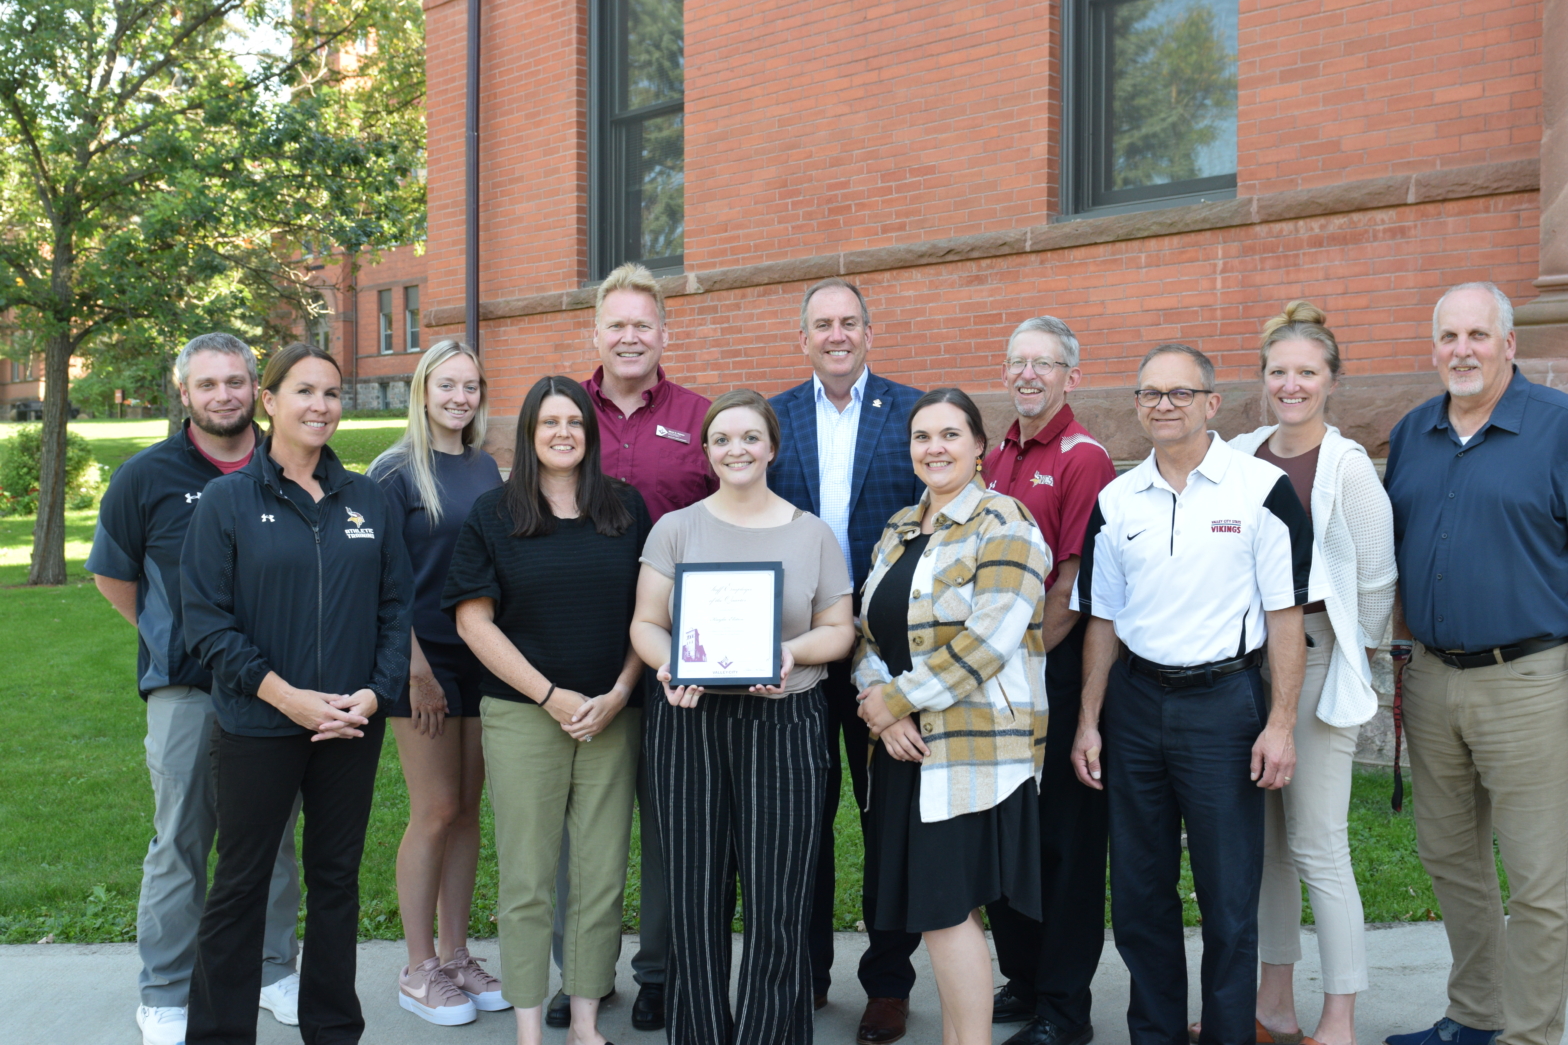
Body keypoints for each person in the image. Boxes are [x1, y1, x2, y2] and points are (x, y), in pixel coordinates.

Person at [1071, 343, 1311, 1045]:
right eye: (1150, 393)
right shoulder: (1117, 500)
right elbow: (1102, 621)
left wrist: (1281, 723)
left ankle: (1230, 1035)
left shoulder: (1260, 490)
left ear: (1212, 402)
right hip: (1136, 705)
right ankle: (1157, 1033)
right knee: (1141, 893)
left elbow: (1285, 617)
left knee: (1228, 896)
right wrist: (1089, 721)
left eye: (1180, 392)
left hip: (1224, 707)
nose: (1164, 404)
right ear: (1137, 405)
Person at [179, 341, 413, 1045]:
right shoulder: (227, 500)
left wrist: (373, 695)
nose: (321, 406)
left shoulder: (366, 497)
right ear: (269, 401)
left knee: (337, 881)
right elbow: (206, 623)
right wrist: (288, 697)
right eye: (305, 392)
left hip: (350, 724)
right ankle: (218, 1035)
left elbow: (396, 607)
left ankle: (334, 1029)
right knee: (241, 884)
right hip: (258, 723)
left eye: (332, 393)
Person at [88, 333, 304, 1045]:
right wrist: (167, 633)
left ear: (257, 390)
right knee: (181, 836)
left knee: (271, 837)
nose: (223, 394)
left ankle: (275, 969)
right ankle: (167, 987)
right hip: (188, 688)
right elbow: (114, 575)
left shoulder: (289, 466)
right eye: (207, 383)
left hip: (278, 687)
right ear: (184, 392)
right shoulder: (145, 476)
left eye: (235, 381)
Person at [630, 389, 857, 1045]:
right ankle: (698, 1032)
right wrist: (670, 664)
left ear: (772, 448)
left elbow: (838, 629)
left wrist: (786, 651)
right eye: (723, 438)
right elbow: (646, 622)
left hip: (784, 721)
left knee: (778, 897)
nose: (737, 449)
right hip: (689, 720)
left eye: (750, 437)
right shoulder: (676, 527)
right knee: (693, 897)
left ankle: (771, 1033)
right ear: (705, 451)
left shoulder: (809, 532)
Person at [1381, 282, 1568, 1045]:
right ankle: (1474, 1014)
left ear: (1509, 344)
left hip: (1527, 680)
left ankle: (1528, 1034)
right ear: (1434, 348)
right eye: (1449, 336)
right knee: (1450, 858)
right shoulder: (1411, 431)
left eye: (1478, 335)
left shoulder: (1556, 429)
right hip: (1430, 676)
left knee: (1540, 879)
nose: (1462, 350)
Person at [445, 375, 651, 1045]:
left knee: (600, 873)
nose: (563, 432)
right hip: (523, 715)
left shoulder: (625, 509)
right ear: (530, 433)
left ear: (590, 433)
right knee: (529, 877)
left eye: (574, 421)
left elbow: (647, 618)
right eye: (548, 422)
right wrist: (550, 695)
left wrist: (619, 692)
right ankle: (530, 1026)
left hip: (611, 715)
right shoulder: (493, 514)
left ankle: (584, 1019)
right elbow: (476, 624)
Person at [1216, 302, 1395, 1045]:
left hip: (1321, 664)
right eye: (1278, 371)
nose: (1291, 385)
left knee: (1319, 844)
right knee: (1266, 850)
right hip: (1246, 668)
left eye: (1307, 373)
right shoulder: (1241, 452)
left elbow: (1379, 584)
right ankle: (1274, 1004)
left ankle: (1340, 1018)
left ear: (1331, 381)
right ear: (1263, 379)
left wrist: (1355, 667)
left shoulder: (1348, 466)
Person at [549, 261, 718, 1032]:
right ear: (595, 332)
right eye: (614, 324)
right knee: (575, 826)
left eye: (641, 324)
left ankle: (658, 969)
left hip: (680, 655)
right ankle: (581, 972)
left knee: (672, 820)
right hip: (574, 652)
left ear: (663, 333)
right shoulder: (558, 412)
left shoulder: (699, 416)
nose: (627, 336)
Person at [855, 387, 1052, 1045]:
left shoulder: (1008, 523)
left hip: (972, 748)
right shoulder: (898, 528)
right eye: (922, 436)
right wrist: (880, 711)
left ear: (978, 446)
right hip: (904, 747)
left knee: (944, 908)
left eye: (949, 434)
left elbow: (990, 640)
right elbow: (867, 638)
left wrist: (898, 700)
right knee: (933, 905)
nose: (934, 448)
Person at [767, 276, 924, 1045]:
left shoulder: (912, 413)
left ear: (869, 332)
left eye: (849, 322)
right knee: (804, 820)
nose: (836, 334)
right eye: (822, 324)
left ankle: (889, 981)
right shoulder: (773, 417)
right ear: (804, 338)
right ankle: (805, 969)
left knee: (888, 817)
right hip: (794, 651)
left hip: (887, 657)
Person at [979, 319, 1118, 1045]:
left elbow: (1073, 583)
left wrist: (1017, 653)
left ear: (1071, 372)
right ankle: (1026, 977)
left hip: (1050, 674)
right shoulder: (995, 453)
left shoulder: (1082, 457)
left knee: (1064, 847)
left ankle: (1066, 1007)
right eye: (1018, 362)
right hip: (994, 680)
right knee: (1009, 834)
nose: (1029, 374)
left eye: (1045, 362)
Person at [368, 340, 506, 1025]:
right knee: (436, 807)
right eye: (446, 385)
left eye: (470, 385)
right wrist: (414, 666)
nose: (459, 397)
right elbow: (380, 582)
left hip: (479, 654)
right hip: (421, 659)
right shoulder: (394, 472)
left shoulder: (485, 467)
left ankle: (457, 954)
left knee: (469, 811)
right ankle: (418, 966)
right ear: (423, 391)